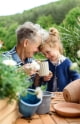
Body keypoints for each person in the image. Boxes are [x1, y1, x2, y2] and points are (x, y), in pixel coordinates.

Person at [36, 27, 80, 92]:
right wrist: (44, 79)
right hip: (51, 96)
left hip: (64, 97)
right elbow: (42, 82)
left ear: (56, 46)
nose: (47, 56)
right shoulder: (45, 63)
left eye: (48, 52)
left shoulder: (67, 63)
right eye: (44, 54)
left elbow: (77, 79)